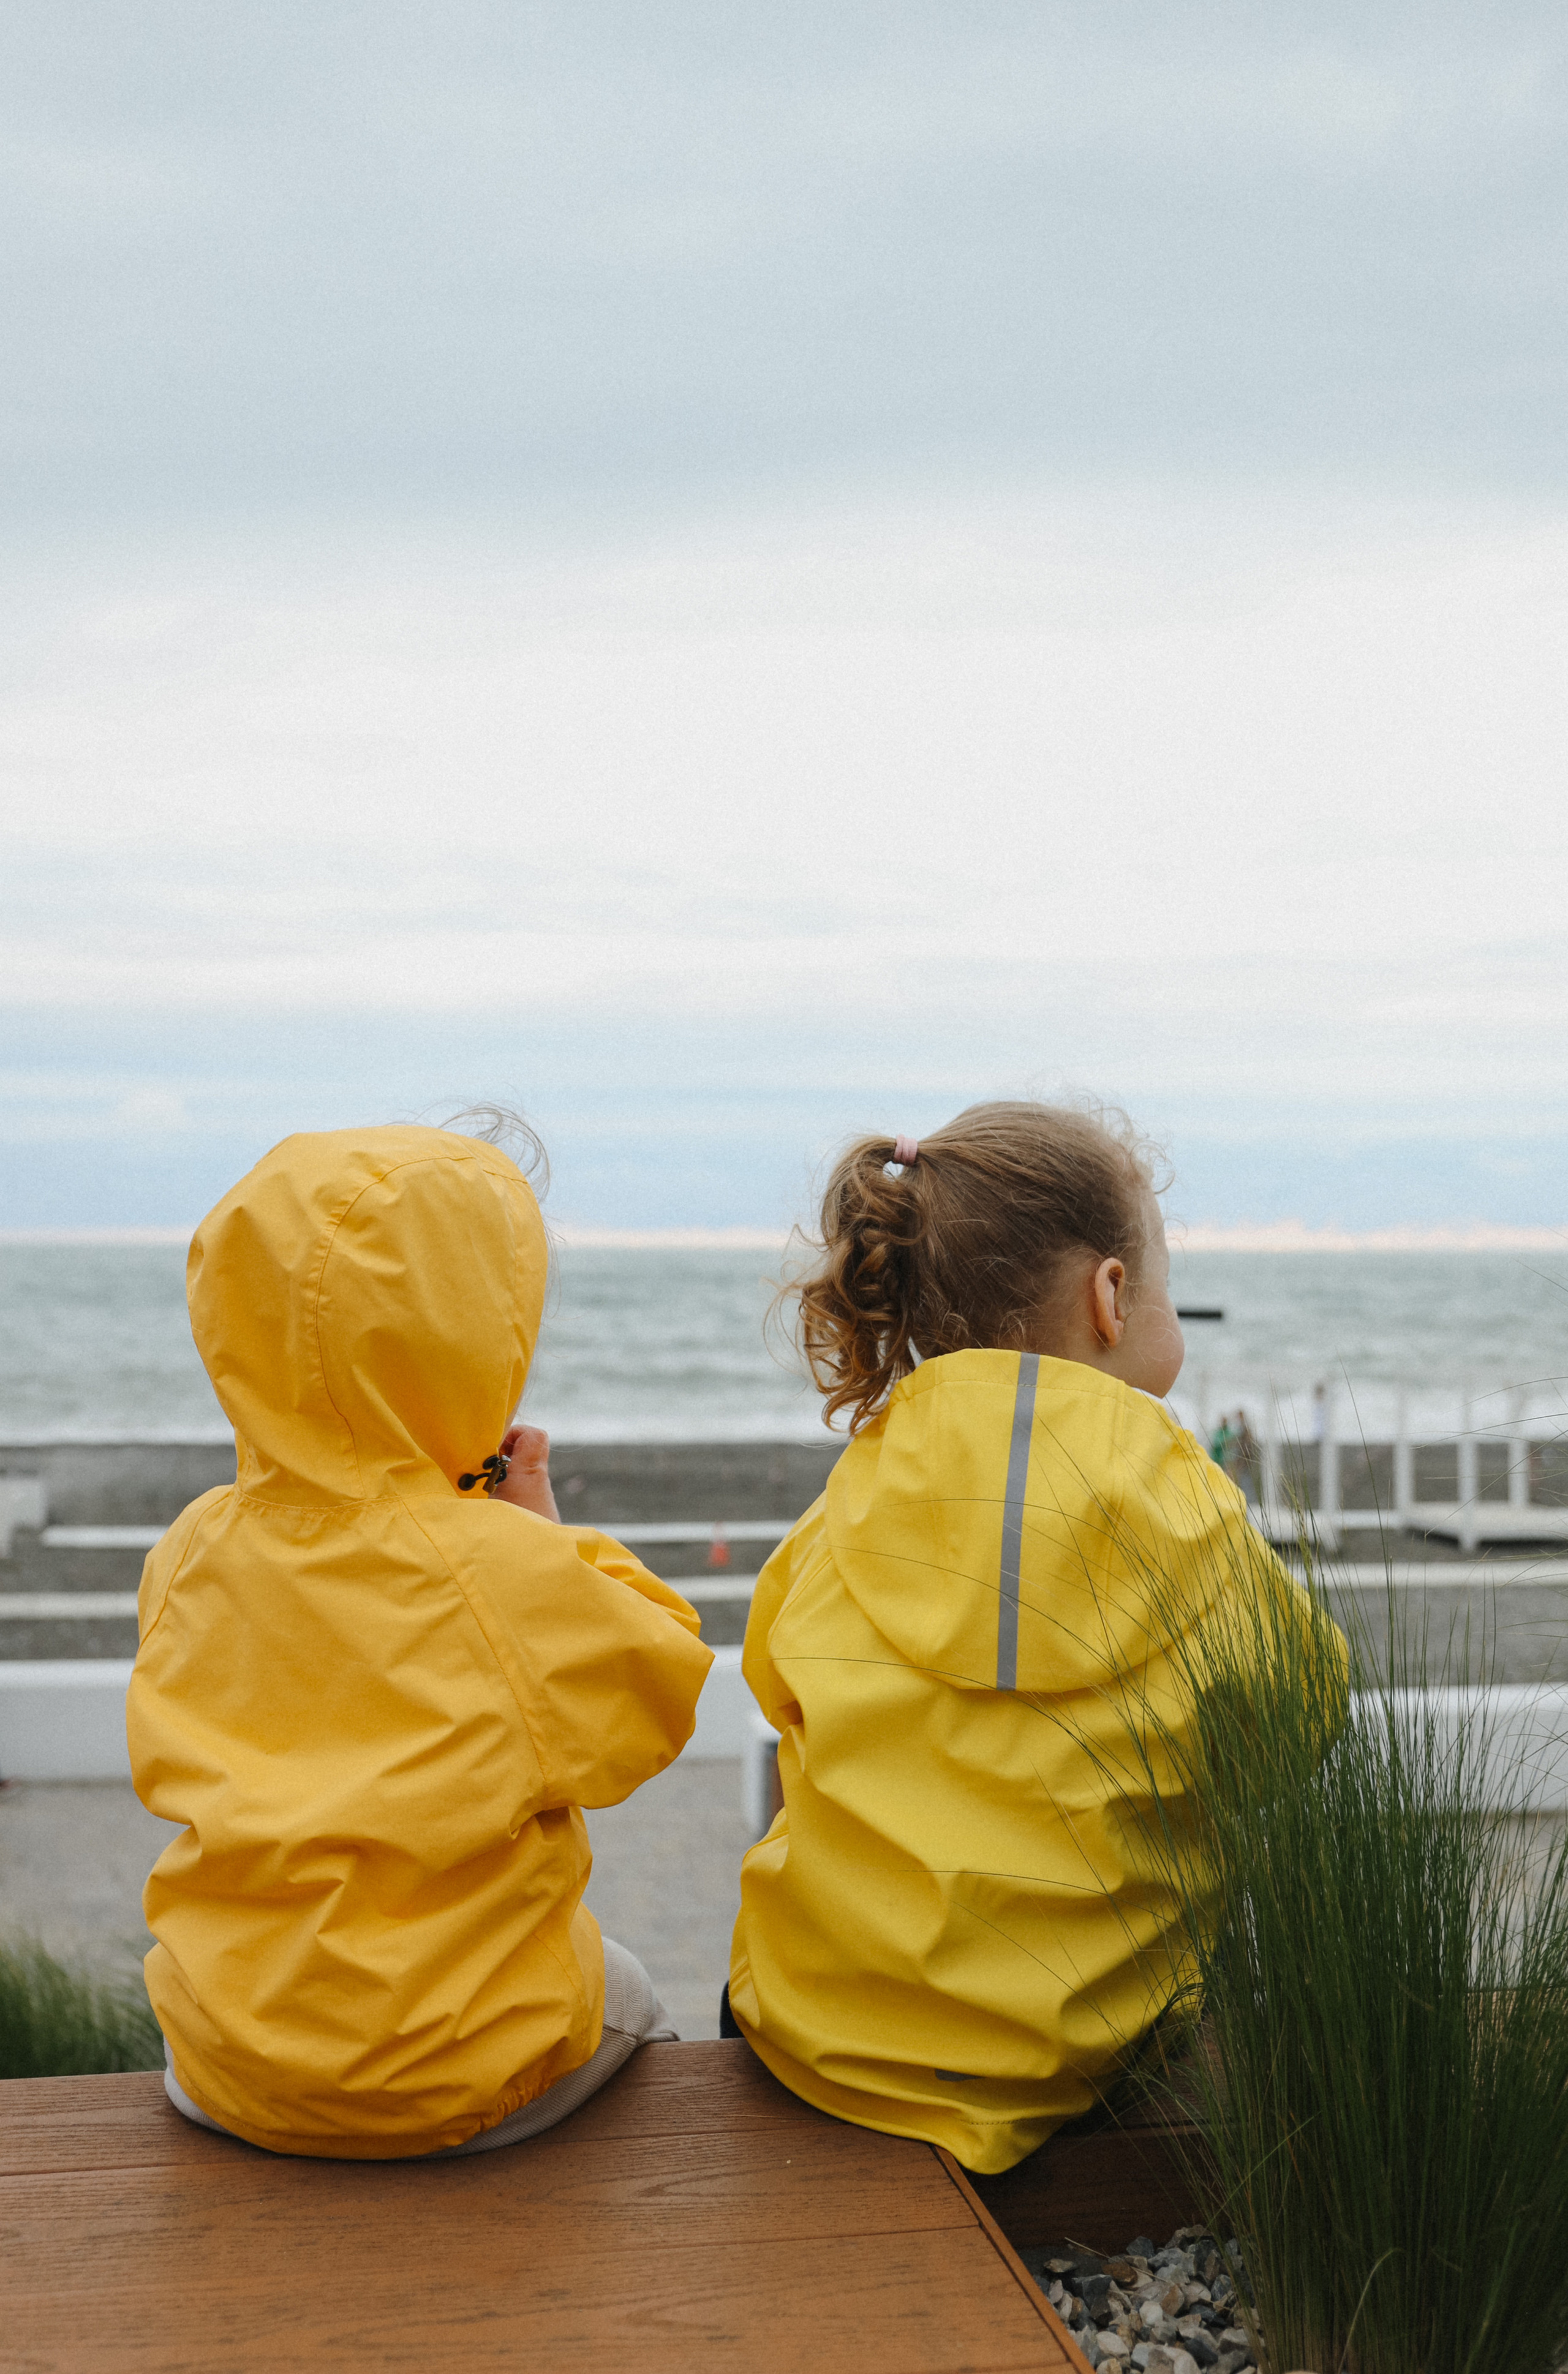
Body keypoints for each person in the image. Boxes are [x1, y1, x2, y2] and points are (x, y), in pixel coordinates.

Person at [725, 1099, 1309, 2174]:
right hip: (1079, 2059)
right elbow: (1296, 1717)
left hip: (818, 2043)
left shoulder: (854, 1496)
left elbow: (776, 1681)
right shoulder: (1193, 1508)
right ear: (1112, 1295)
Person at [129, 1121, 712, 2159]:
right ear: (479, 1335)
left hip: (222, 2061)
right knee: (628, 1985)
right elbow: (656, 1692)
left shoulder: (191, 1548)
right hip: (450, 2076)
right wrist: (543, 1531)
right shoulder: (497, 1570)